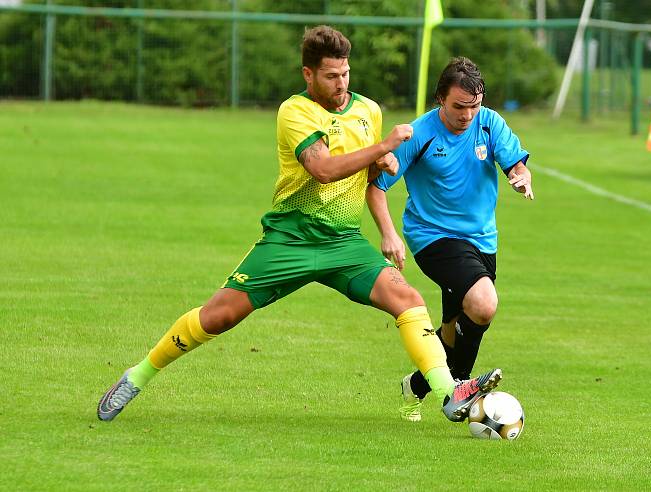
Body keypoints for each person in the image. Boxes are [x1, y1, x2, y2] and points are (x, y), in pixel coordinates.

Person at [97, 26, 501, 424]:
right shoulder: (295, 111)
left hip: (343, 242)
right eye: (331, 75)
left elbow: (369, 174)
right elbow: (323, 169)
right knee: (217, 316)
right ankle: (137, 376)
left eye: (345, 73)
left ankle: (450, 393)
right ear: (308, 74)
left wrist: (384, 189)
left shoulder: (368, 111)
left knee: (409, 300)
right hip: (290, 238)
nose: (341, 83)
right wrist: (383, 148)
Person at [365, 57, 532, 422]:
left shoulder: (489, 124)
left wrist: (522, 176)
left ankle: (416, 386)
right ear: (441, 98)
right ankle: (461, 391)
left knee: (453, 331)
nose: (467, 115)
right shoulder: (419, 134)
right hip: (433, 237)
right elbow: (375, 187)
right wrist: (389, 234)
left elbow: (515, 163)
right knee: (484, 303)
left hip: (483, 240)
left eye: (474, 106)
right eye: (459, 106)